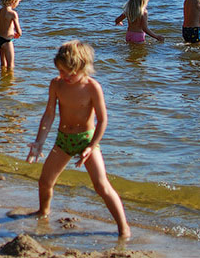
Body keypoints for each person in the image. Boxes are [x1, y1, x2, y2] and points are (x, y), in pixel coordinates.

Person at [26, 40, 130, 238]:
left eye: (69, 73)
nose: (64, 76)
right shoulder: (56, 84)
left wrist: (92, 146)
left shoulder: (92, 87)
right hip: (63, 140)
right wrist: (39, 142)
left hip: (86, 140)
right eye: (61, 71)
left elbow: (102, 120)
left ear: (83, 68)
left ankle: (123, 227)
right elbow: (49, 115)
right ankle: (43, 212)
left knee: (101, 186)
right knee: (45, 182)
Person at [0, 0, 23, 69]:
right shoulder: (13, 13)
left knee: (3, 64)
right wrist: (18, 34)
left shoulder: (1, 11)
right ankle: (10, 77)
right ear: (14, 1)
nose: (18, 4)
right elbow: (18, 31)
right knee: (11, 65)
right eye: (18, 2)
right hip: (7, 41)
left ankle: (2, 75)